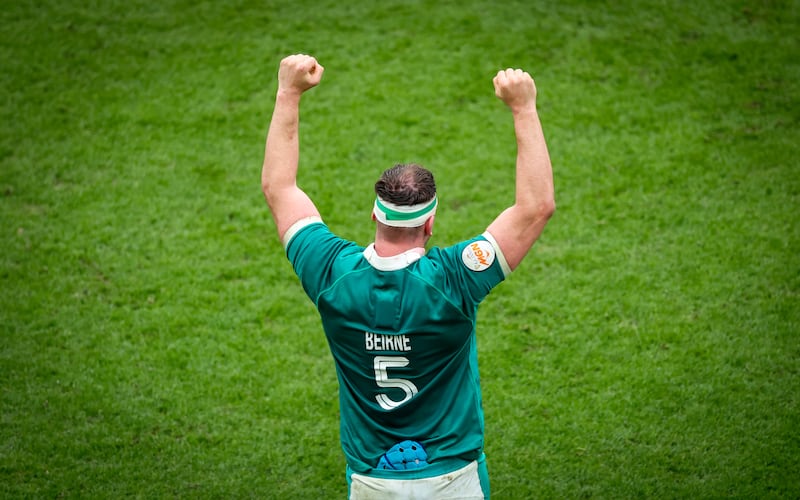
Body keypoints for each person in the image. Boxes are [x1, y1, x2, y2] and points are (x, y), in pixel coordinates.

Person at [261, 54, 554, 499]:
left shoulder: (330, 272)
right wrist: (524, 108)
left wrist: (288, 92)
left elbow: (279, 187)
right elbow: (535, 207)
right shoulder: (455, 279)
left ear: (375, 216)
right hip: (455, 478)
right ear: (430, 223)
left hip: (371, 481)